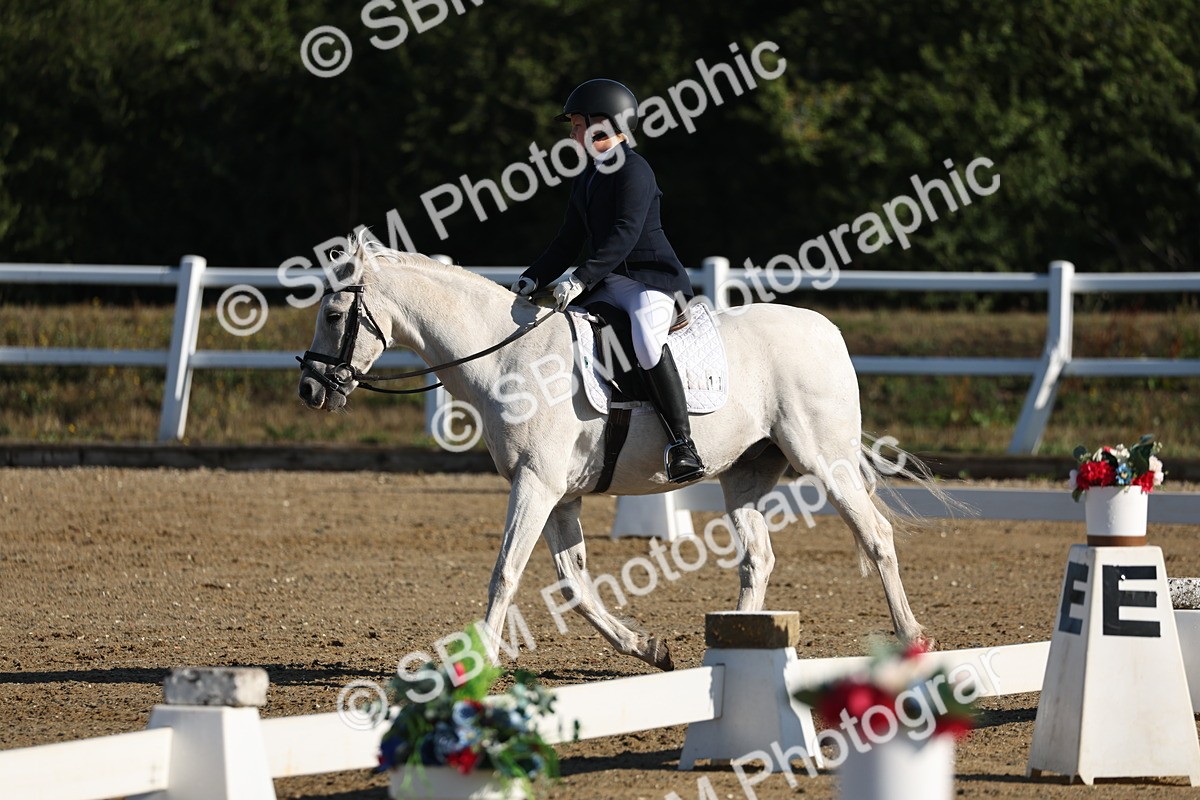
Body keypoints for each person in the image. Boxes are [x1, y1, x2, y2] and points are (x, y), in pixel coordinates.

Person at [511, 78, 704, 484]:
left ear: (604, 124)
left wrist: (581, 279)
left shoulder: (634, 170)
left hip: (650, 281)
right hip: (609, 282)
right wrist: (532, 278)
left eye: (577, 123)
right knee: (566, 338)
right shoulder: (588, 176)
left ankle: (682, 444)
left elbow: (625, 233)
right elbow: (567, 240)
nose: (572, 132)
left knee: (648, 341)